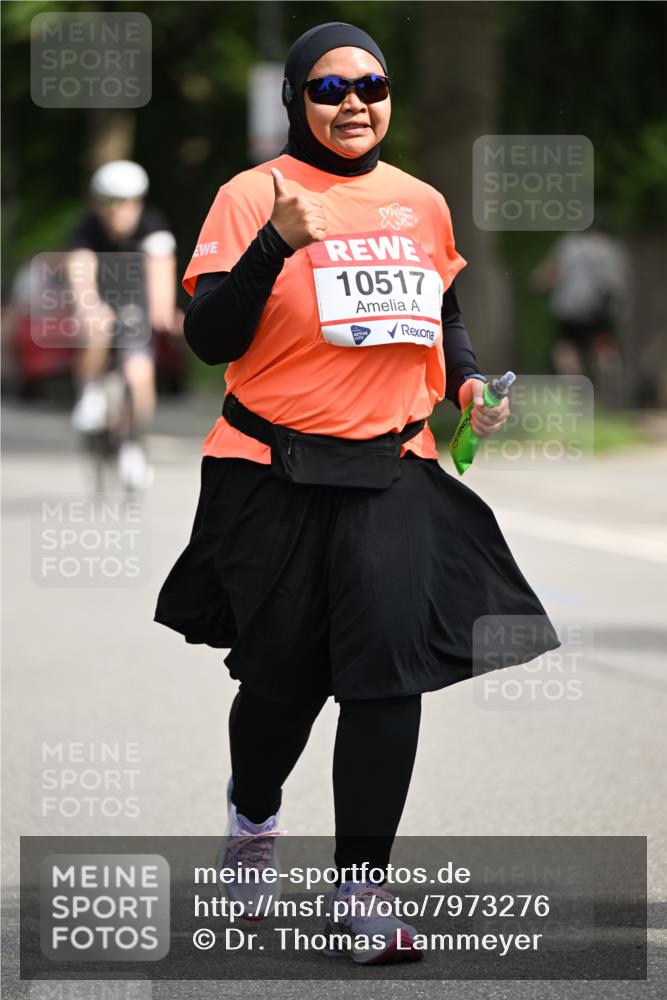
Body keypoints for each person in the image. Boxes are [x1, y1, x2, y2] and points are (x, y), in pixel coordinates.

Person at [154, 22, 560, 965]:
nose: (353, 104)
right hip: (269, 473)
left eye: (371, 86)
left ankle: (360, 890)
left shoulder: (418, 201)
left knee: (386, 678)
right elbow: (210, 338)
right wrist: (271, 245)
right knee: (283, 682)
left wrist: (463, 385)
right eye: (330, 88)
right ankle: (252, 821)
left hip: (391, 469)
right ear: (298, 97)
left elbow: (441, 311)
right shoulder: (252, 194)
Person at [67, 159, 181, 490]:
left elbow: (161, 267)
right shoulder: (87, 227)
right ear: (101, 204)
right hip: (100, 300)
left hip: (134, 303)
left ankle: (133, 445)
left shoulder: (152, 225)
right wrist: (86, 302)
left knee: (140, 376)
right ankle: (89, 391)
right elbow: (80, 267)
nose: (122, 212)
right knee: (97, 320)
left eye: (130, 203)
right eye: (113, 204)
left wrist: (163, 310)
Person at [531, 216, 631, 386]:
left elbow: (550, 273)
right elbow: (622, 281)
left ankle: (572, 376)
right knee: (603, 338)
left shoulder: (570, 245)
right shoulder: (613, 248)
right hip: (602, 308)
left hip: (569, 309)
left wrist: (537, 285)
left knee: (565, 346)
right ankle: (607, 361)